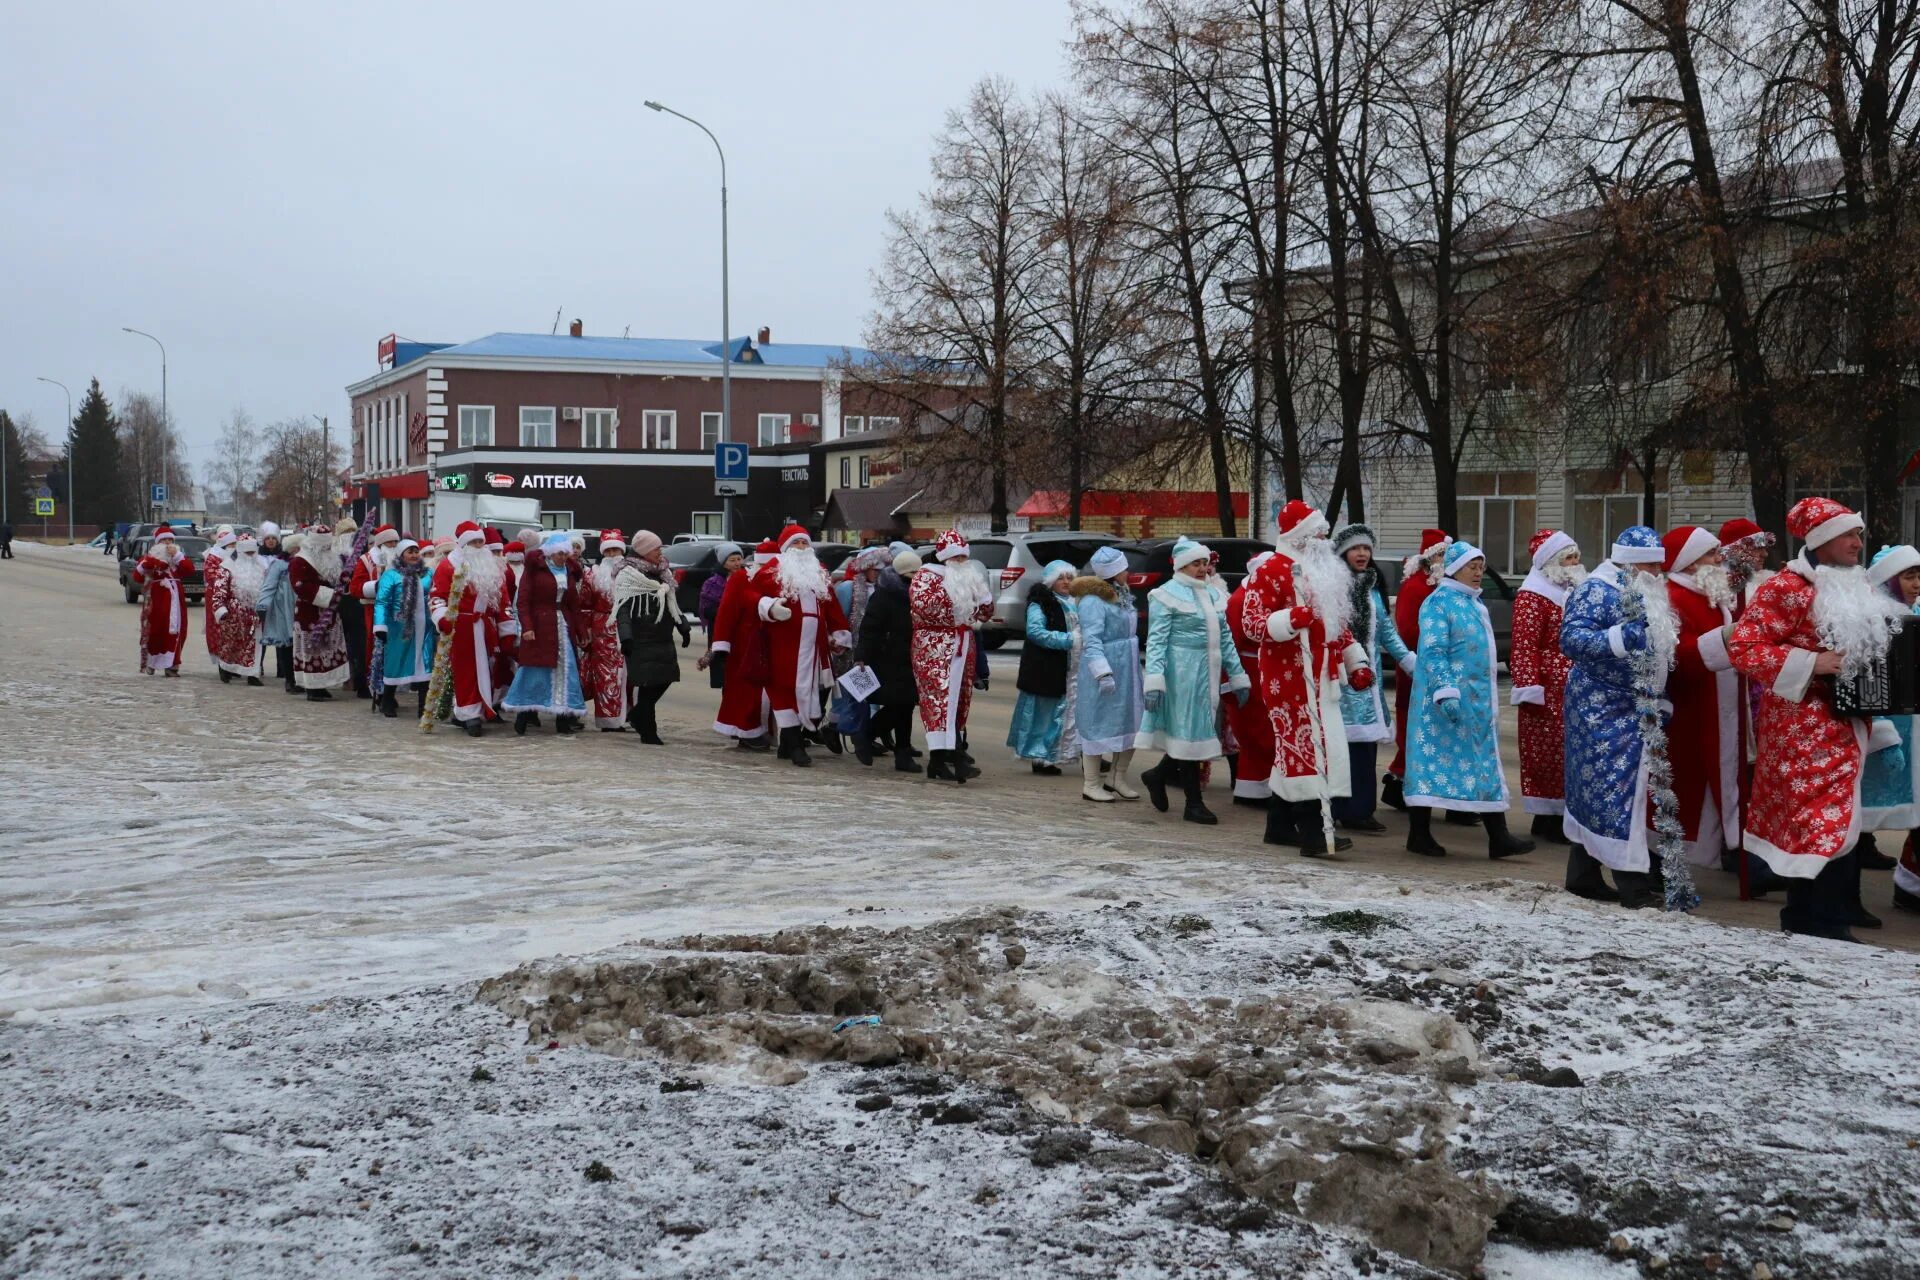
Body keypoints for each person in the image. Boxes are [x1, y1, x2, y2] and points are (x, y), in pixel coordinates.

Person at [1732, 498, 1907, 940]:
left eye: (1858, 534)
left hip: (1848, 725)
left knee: (1838, 821)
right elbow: (1745, 648)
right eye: (1849, 534)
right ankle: (1814, 918)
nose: (1857, 543)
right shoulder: (1785, 588)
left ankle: (1825, 915)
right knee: (1817, 825)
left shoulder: (1859, 585)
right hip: (1800, 729)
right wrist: (1813, 663)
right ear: (1823, 540)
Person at [1240, 504, 1367, 853]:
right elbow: (1252, 624)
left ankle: (1279, 825)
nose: (1326, 540)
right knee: (1305, 751)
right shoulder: (1270, 570)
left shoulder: (1323, 572)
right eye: (1319, 533)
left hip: (1322, 680)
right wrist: (1292, 619)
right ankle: (1314, 833)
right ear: (1299, 535)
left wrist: (1356, 661)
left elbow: (1336, 626)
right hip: (1289, 679)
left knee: (1302, 751)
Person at [1557, 526, 1674, 903]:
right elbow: (1571, 639)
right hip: (1600, 709)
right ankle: (1633, 887)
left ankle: (1583, 875)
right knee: (1615, 793)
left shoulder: (1643, 590)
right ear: (1633, 563)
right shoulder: (1596, 589)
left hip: (1634, 706)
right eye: (1654, 563)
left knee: (1604, 793)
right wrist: (1621, 638)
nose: (1660, 570)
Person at [1404, 541, 1533, 859]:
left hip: (1475, 704)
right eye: (1471, 567)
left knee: (1483, 765)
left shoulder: (1474, 604)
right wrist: (1445, 692)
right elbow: (1433, 652)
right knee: (1431, 766)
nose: (1478, 573)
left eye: (1481, 567)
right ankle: (1418, 835)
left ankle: (1498, 838)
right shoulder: (1439, 603)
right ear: (1453, 569)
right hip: (1443, 704)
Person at [1135, 536, 1252, 825]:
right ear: (1182, 565)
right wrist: (1154, 679)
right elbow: (1157, 641)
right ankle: (1193, 803)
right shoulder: (1166, 594)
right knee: (1189, 734)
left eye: (1204, 563)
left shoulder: (1212, 595)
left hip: (1208, 674)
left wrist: (1238, 676)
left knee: (1197, 734)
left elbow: (1225, 639)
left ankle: (1157, 775)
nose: (1202, 568)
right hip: (1181, 673)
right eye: (1196, 563)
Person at [1663, 526, 1748, 874]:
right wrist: (1723, 641)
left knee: (1725, 777)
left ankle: (1731, 848)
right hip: (1693, 708)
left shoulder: (1709, 593)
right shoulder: (1673, 597)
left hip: (1721, 703)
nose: (1719, 560)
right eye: (1711, 554)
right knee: (1692, 780)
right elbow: (1675, 654)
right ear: (1689, 561)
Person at [1330, 524, 1412, 833]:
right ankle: (1344, 808)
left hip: (1370, 678)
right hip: (1344, 677)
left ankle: (1362, 809)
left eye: (1366, 548)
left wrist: (1407, 660)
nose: (1362, 554)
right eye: (1355, 548)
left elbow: (1386, 631)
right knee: (1345, 746)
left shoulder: (1373, 587)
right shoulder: (1335, 587)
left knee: (1366, 748)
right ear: (1343, 553)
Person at [752, 526, 855, 766]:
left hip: (814, 645)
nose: (802, 548)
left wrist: (839, 633)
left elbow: (830, 605)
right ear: (786, 547)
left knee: (806, 691)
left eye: (805, 543)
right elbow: (752, 598)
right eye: (796, 543)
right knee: (784, 690)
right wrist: (769, 607)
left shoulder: (818, 573)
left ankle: (789, 744)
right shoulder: (771, 571)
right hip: (782, 643)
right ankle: (796, 745)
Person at [1509, 530, 1584, 842]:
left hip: (1572, 687)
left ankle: (1566, 815)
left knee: (1570, 752)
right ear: (1552, 562)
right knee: (1546, 754)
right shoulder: (1532, 596)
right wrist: (1529, 687)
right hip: (1546, 688)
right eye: (1569, 557)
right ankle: (1546, 819)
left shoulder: (1572, 590)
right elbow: (1524, 646)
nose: (1576, 563)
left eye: (1577, 556)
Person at [909, 529, 995, 782]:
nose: (960, 562)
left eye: (963, 558)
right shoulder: (926, 576)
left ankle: (940, 761)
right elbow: (924, 606)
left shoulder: (966, 578)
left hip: (962, 644)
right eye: (955, 558)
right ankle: (951, 758)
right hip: (934, 647)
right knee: (938, 701)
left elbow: (983, 614)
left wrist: (983, 598)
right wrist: (955, 595)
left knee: (957, 701)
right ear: (944, 557)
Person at [1861, 544, 1920, 906]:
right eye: (1909, 576)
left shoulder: (1915, 613)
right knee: (1864, 815)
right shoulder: (1874, 620)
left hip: (1916, 729)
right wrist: (1882, 733)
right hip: (1896, 731)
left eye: (1918, 576)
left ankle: (1910, 882)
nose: (1916, 584)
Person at [426, 520, 514, 735]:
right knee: (466, 671)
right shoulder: (448, 566)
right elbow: (437, 596)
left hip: (486, 626)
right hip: (462, 627)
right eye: (473, 542)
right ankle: (470, 714)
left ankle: (482, 709)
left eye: (480, 542)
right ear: (463, 544)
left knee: (490, 669)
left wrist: (507, 628)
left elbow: (503, 601)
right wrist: (442, 618)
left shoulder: (491, 568)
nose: (478, 546)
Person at [1385, 528, 1450, 810]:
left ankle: (1401, 784)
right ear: (1430, 557)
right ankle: (1399, 784)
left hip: (1436, 670)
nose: (1445, 559)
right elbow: (1408, 631)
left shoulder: (1439, 585)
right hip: (1417, 670)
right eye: (1442, 554)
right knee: (1413, 730)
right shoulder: (1415, 587)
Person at [1073, 545, 1144, 802]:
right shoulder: (1093, 601)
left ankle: (1117, 776)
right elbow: (1092, 641)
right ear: (1113, 573)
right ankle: (1091, 783)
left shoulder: (1121, 595)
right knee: (1098, 723)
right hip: (1107, 668)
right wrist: (1102, 673)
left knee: (1131, 722)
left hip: (1127, 668)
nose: (1128, 572)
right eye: (1124, 568)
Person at [502, 530, 588, 735]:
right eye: (559, 553)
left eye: (565, 553)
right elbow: (523, 601)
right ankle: (523, 715)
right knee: (534, 670)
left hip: (563, 626)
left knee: (566, 671)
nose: (563, 557)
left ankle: (563, 718)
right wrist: (528, 627)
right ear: (549, 553)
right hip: (540, 626)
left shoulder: (568, 571)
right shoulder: (535, 570)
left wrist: (581, 629)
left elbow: (574, 604)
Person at [615, 529, 691, 744]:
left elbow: (672, 603)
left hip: (662, 635)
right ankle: (648, 731)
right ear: (644, 552)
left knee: (663, 679)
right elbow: (623, 608)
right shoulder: (628, 574)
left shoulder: (662, 572)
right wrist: (626, 637)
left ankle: (639, 716)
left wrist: (683, 626)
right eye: (656, 548)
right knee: (648, 684)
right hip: (641, 636)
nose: (660, 552)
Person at [1007, 560, 1081, 775]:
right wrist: (1069, 639)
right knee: (1044, 714)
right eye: (1061, 578)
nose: (1066, 582)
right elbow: (1035, 632)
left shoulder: (1076, 601)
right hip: (1046, 668)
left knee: (1072, 713)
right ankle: (1039, 756)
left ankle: (1076, 751)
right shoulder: (1040, 603)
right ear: (1050, 582)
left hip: (1073, 669)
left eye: (1069, 577)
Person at [706, 537, 777, 750]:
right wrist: (721, 644)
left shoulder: (784, 579)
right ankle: (747, 730)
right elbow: (726, 613)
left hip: (773, 643)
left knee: (771, 691)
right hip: (745, 645)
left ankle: (769, 731)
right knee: (745, 690)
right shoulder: (741, 579)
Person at [856, 549, 923, 772]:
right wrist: (862, 656)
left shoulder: (917, 594)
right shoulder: (885, 595)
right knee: (899, 704)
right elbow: (870, 628)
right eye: (913, 572)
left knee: (905, 706)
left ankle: (902, 753)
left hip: (911, 657)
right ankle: (867, 735)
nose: (917, 576)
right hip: (887, 658)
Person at [1224, 552, 1277, 810]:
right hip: (1249, 670)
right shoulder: (1240, 600)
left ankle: (1257, 787)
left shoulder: (1261, 595)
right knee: (1256, 731)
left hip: (1262, 668)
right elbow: (1232, 642)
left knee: (1265, 731)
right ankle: (1253, 788)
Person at [833, 547, 894, 762]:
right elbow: (838, 618)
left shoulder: (885, 590)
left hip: (877, 652)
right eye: (874, 569)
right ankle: (859, 740)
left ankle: (837, 732)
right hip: (851, 652)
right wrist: (839, 642)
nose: (878, 573)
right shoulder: (848, 588)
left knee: (870, 697)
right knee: (856, 697)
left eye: (883, 569)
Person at [287, 522, 351, 700]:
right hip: (310, 611)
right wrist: (331, 596)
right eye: (324, 546)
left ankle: (323, 684)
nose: (327, 548)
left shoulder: (331, 557)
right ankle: (312, 687)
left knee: (328, 647)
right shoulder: (301, 560)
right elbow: (300, 585)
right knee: (312, 649)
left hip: (330, 612)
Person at [373, 538, 436, 718]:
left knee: (425, 664)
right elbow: (382, 602)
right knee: (396, 661)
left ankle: (424, 707)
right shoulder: (391, 575)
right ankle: (387, 701)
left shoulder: (428, 573)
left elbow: (435, 594)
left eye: (417, 551)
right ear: (401, 555)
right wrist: (380, 626)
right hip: (398, 627)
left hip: (424, 627)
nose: (415, 555)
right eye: (410, 551)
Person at [580, 530, 631, 731]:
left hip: (629, 627)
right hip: (602, 628)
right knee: (606, 675)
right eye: (608, 551)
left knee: (628, 675)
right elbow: (584, 605)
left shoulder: (631, 573)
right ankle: (608, 720)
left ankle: (628, 715)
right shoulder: (592, 575)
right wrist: (587, 632)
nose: (612, 555)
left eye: (616, 550)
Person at [131, 525, 192, 676]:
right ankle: (152, 662)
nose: (167, 542)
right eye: (164, 539)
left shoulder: (177, 558)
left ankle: (172, 665)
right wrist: (148, 565)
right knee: (156, 630)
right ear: (157, 542)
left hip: (176, 601)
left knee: (177, 630)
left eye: (170, 539)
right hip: (157, 600)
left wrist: (177, 556)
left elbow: (189, 570)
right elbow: (137, 577)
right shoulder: (150, 556)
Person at [348, 525, 399, 698]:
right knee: (375, 649)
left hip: (398, 611)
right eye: (389, 542)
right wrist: (377, 587)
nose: (393, 546)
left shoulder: (402, 559)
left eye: (395, 542)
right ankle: (377, 688)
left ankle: (391, 688)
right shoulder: (366, 560)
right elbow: (355, 588)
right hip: (374, 610)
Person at [209, 533, 264, 684]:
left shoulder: (261, 566)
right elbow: (219, 590)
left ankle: (252, 674)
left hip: (254, 613)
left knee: (254, 644)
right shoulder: (227, 567)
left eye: (253, 552)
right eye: (248, 553)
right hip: (233, 614)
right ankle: (225, 667)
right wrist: (220, 610)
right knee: (230, 644)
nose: (251, 556)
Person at [255, 524, 296, 693]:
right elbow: (268, 585)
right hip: (280, 606)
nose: (271, 541)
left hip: (298, 607)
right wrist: (262, 605)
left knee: (295, 643)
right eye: (268, 538)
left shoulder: (300, 563)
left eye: (274, 538)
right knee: (284, 641)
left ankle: (289, 673)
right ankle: (288, 677)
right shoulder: (279, 563)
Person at [201, 531, 235, 675]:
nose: (234, 547)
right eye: (231, 544)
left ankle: (233, 662)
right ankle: (222, 662)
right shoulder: (213, 557)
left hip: (233, 598)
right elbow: (213, 577)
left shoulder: (236, 557)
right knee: (218, 629)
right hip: (217, 597)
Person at [699, 543, 744, 638]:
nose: (737, 563)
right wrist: (727, 612)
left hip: (742, 631)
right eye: (732, 560)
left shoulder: (747, 579)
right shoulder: (712, 583)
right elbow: (707, 611)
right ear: (723, 563)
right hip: (718, 631)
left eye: (739, 559)